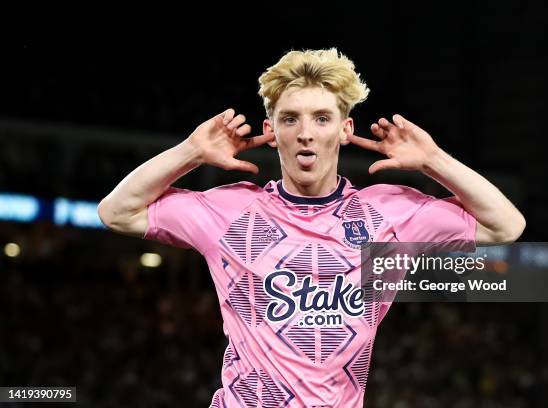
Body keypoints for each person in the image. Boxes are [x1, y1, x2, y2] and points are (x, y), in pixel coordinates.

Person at [98, 48, 525, 407]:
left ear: (345, 130)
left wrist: (434, 160)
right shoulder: (232, 211)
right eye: (290, 119)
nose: (305, 133)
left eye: (322, 118)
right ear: (270, 132)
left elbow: (505, 226)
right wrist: (191, 152)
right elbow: (117, 212)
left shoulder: (391, 214)